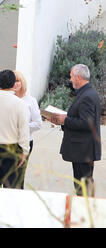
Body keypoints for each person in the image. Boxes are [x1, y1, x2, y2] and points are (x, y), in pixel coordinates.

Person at [50, 64, 102, 196]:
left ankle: (85, 212)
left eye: (71, 76)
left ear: (78, 77)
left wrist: (65, 120)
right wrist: (62, 121)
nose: (70, 79)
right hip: (82, 150)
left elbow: (86, 123)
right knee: (81, 185)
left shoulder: (87, 96)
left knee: (83, 187)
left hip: (83, 151)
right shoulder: (85, 93)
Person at [0, 69, 30, 188]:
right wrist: (25, 151)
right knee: (11, 188)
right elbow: (23, 130)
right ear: (13, 83)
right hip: (11, 148)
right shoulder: (19, 103)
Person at [13, 70, 42, 189]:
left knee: (19, 176)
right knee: (8, 175)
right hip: (7, 141)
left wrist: (22, 126)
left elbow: (38, 124)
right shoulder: (8, 99)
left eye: (17, 80)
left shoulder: (30, 101)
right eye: (13, 81)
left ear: (22, 82)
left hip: (24, 143)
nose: (15, 83)